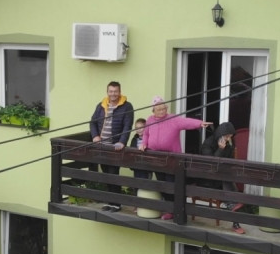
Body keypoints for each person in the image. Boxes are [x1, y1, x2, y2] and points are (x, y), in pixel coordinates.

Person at [139, 96, 212, 219]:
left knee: (172, 184)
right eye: (159, 109)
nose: (162, 111)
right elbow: (146, 134)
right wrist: (144, 143)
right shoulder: (150, 120)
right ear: (153, 110)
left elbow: (186, 122)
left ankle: (175, 210)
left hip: (172, 158)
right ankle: (169, 210)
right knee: (162, 184)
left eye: (164, 108)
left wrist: (200, 123)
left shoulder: (173, 119)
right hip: (156, 158)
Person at [90, 81, 134, 212]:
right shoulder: (101, 105)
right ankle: (110, 202)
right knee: (106, 175)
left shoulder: (127, 107)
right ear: (107, 92)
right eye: (111, 91)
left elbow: (127, 126)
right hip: (102, 146)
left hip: (115, 147)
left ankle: (116, 204)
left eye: (115, 91)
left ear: (120, 92)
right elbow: (92, 122)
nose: (113, 94)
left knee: (113, 174)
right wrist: (95, 136)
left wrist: (122, 142)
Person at [201, 122, 245, 234]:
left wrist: (227, 149)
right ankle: (233, 204)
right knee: (229, 187)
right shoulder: (208, 143)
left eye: (230, 136)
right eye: (227, 136)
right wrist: (220, 149)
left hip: (223, 175)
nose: (229, 138)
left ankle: (233, 207)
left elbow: (229, 160)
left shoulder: (230, 142)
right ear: (220, 134)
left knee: (228, 183)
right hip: (208, 178)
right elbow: (211, 164)